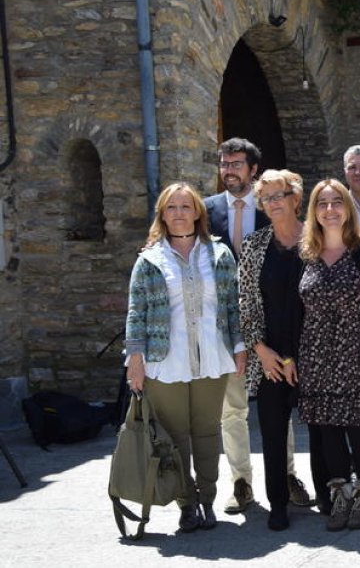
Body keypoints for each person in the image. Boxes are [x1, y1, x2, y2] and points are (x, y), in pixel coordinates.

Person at [125, 183, 246, 532]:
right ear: (162, 215)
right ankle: (186, 504)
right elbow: (137, 311)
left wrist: (239, 347)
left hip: (213, 355)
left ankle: (207, 499)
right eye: (171, 207)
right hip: (166, 359)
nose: (179, 213)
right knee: (174, 435)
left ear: (197, 213)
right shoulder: (150, 259)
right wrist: (135, 358)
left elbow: (231, 305)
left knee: (207, 431)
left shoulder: (220, 255)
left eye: (185, 206)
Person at [204, 138, 311, 514]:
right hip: (226, 329)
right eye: (224, 163)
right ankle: (241, 482)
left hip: (271, 326)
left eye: (237, 163)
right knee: (232, 410)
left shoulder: (271, 204)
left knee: (276, 409)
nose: (229, 169)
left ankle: (286, 476)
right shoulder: (206, 210)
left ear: (253, 170)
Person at [298, 179, 360, 532]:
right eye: (322, 203)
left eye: (337, 202)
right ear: (314, 212)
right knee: (328, 431)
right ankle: (339, 494)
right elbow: (298, 313)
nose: (330, 209)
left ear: (348, 209)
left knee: (358, 427)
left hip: (357, 355)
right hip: (316, 357)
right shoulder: (305, 256)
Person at [236, 169, 326, 530]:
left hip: (315, 356)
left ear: (296, 198)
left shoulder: (318, 239)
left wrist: (306, 356)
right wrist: (260, 349)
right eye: (266, 197)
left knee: (322, 432)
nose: (273, 203)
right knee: (272, 432)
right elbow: (245, 302)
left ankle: (329, 496)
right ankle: (278, 504)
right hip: (270, 358)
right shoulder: (255, 245)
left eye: (279, 195)